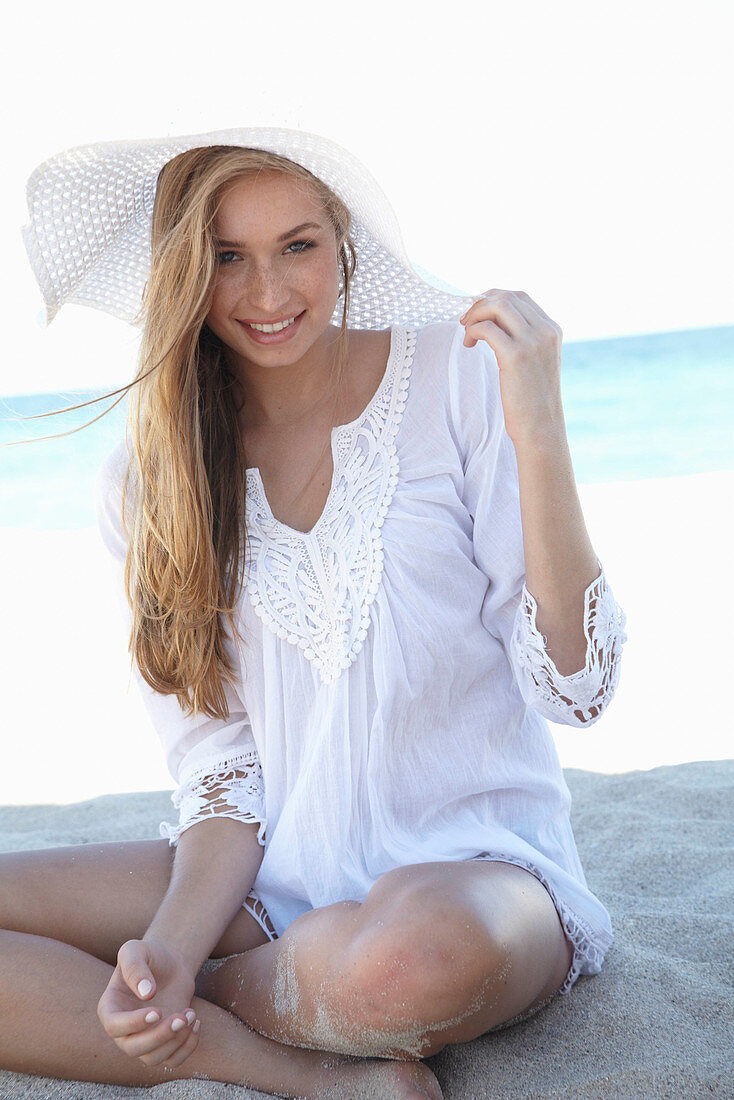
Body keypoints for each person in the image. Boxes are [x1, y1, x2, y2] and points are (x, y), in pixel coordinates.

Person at [2, 128, 628, 1098]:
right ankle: (304, 1071)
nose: (265, 294)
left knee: (402, 964)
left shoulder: (450, 373)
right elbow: (224, 774)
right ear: (182, 270)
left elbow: (577, 685)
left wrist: (537, 423)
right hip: (268, 879)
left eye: (296, 245)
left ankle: (216, 996)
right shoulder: (147, 479)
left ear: (344, 238)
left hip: (478, 873)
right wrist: (167, 942)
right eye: (224, 257)